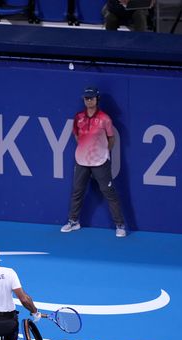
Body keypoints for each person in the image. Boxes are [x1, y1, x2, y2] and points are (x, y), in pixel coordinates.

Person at [61, 86, 127, 237]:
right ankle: (73, 221)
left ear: (97, 99)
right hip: (81, 161)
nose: (88, 100)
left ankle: (120, 225)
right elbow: (77, 136)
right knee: (77, 191)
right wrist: (85, 149)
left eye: (91, 98)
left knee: (109, 193)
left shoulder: (105, 119)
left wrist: (102, 151)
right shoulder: (78, 117)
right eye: (86, 98)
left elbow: (111, 139)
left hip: (101, 161)